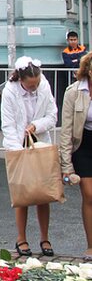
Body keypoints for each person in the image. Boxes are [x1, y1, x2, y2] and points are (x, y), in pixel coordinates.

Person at [0, 56, 58, 258]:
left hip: (40, 142)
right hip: (17, 145)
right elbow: (7, 124)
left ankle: (44, 237)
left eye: (37, 84)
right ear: (21, 80)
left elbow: (53, 115)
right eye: (30, 86)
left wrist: (36, 125)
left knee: (43, 194)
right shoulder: (9, 91)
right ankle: (21, 238)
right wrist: (18, 152)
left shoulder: (44, 86)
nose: (34, 88)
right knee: (22, 194)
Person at [60, 52, 92, 258]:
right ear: (88, 70)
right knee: (89, 195)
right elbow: (66, 131)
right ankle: (91, 245)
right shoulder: (73, 92)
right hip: (84, 146)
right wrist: (66, 165)